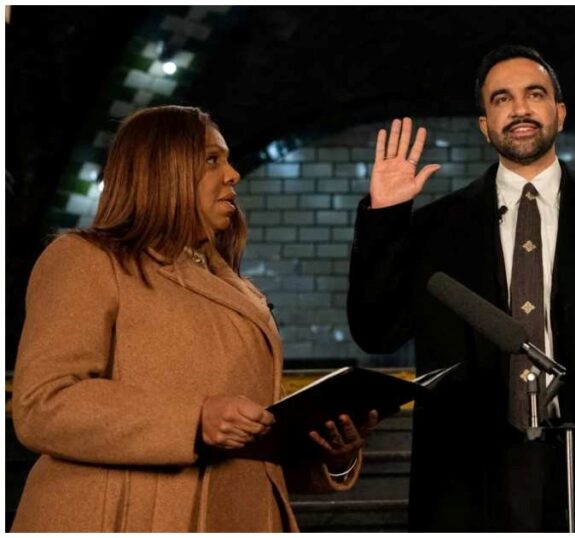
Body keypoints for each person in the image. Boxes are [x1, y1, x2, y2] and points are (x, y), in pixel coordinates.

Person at [348, 45, 575, 531]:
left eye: (534, 94)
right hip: (468, 471)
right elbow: (376, 331)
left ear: (560, 113)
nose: (519, 108)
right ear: (484, 125)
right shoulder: (437, 226)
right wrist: (385, 217)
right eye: (501, 99)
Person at [11, 105, 377, 532]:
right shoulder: (84, 260)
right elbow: (44, 404)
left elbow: (254, 441)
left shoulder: (238, 291)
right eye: (211, 159)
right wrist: (194, 420)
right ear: (161, 169)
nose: (233, 174)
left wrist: (330, 454)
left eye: (227, 160)